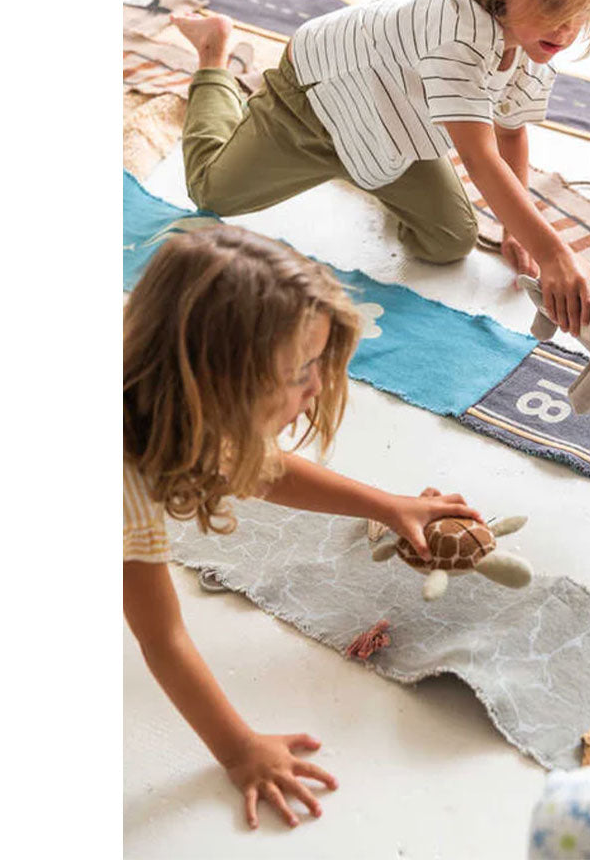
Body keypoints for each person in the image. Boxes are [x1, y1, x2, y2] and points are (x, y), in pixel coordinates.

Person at [123, 224, 486, 829]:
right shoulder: (121, 494)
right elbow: (163, 638)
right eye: (300, 373)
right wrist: (239, 751)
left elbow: (251, 465)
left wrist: (386, 506)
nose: (317, 386)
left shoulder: (153, 375)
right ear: (221, 386)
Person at [169, 0, 590, 336]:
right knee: (212, 193)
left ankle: (358, 171)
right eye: (552, 2)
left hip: (389, 134)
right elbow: (480, 158)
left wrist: (517, 229)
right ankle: (213, 56)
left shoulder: (534, 47)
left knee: (449, 242)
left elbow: (510, 131)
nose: (567, 27)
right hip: (314, 103)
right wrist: (553, 253)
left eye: (583, 9)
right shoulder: (456, 36)